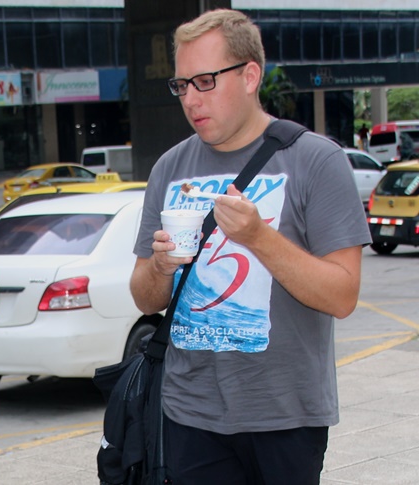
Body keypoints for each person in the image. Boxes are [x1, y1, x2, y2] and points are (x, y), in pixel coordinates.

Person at [129, 9, 371, 485]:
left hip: (285, 416)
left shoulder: (315, 160)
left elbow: (343, 296)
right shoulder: (169, 168)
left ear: (250, 76)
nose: (191, 100)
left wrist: (259, 237)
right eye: (182, 85)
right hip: (189, 412)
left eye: (205, 82)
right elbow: (143, 298)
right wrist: (159, 266)